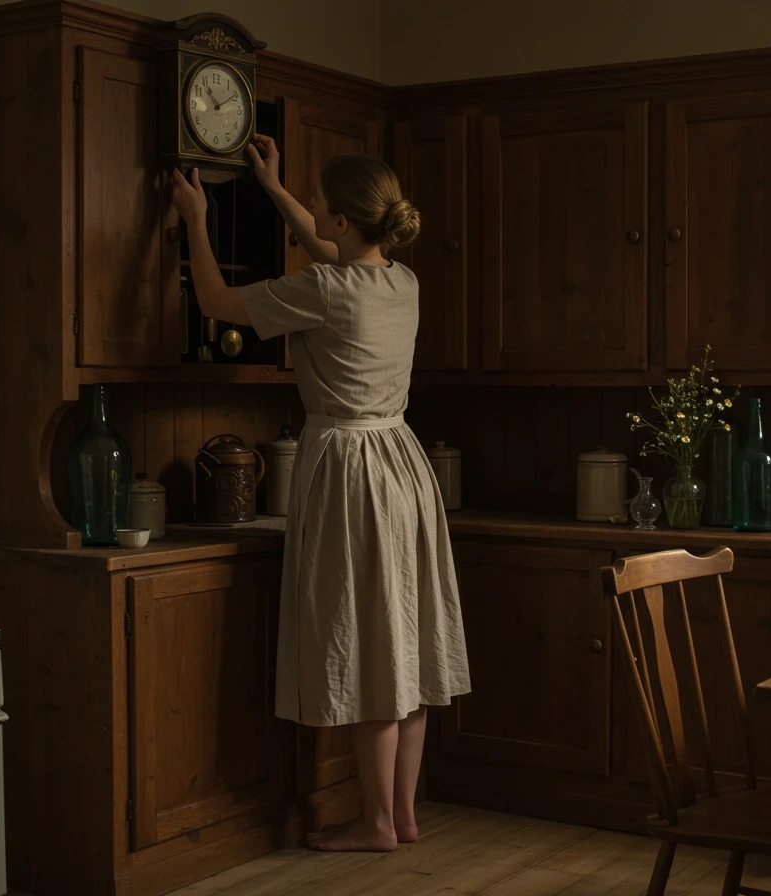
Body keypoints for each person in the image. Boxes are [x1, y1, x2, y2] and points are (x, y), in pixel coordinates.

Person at [169, 135, 471, 852]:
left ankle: (373, 823)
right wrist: (273, 188)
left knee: (369, 645)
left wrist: (195, 219)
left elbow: (214, 299)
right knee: (406, 644)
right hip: (403, 462)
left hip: (348, 467)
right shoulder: (402, 282)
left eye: (322, 212)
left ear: (339, 221)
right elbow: (330, 249)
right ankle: (401, 815)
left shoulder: (323, 291)